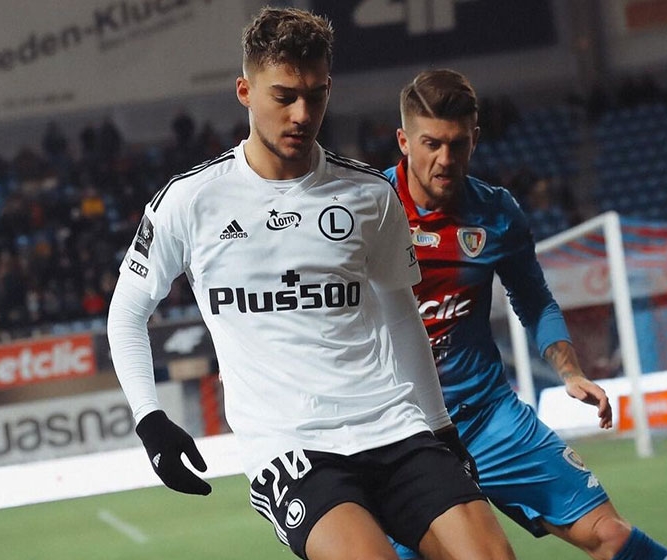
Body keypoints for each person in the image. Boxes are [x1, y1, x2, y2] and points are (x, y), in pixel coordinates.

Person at [106, 8, 516, 560]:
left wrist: (441, 431)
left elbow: (401, 315)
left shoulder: (369, 195)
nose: (302, 114)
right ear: (245, 92)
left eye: (316, 96)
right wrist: (151, 420)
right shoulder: (190, 200)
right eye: (284, 97)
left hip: (393, 426)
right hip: (291, 447)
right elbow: (127, 314)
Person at [385, 69, 667, 560]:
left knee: (610, 534)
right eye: (431, 144)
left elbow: (534, 299)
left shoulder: (496, 213)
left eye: (457, 144)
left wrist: (571, 372)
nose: (445, 159)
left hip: (488, 417)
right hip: (404, 438)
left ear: (475, 139)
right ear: (404, 141)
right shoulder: (367, 211)